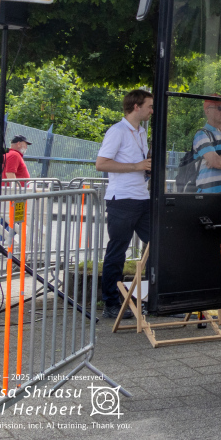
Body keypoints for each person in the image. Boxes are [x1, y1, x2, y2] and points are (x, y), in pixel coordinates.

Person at [95, 89, 154, 320]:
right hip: (122, 200)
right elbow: (101, 164)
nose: (152, 110)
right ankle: (111, 302)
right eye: (149, 106)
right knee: (117, 251)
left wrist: (145, 164)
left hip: (141, 198)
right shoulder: (118, 131)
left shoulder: (140, 131)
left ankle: (151, 297)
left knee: (157, 246)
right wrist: (137, 166)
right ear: (136, 106)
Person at [192, 97, 221, 193]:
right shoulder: (201, 134)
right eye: (220, 108)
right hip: (207, 196)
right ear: (207, 111)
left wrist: (220, 158)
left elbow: (216, 162)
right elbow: (216, 162)